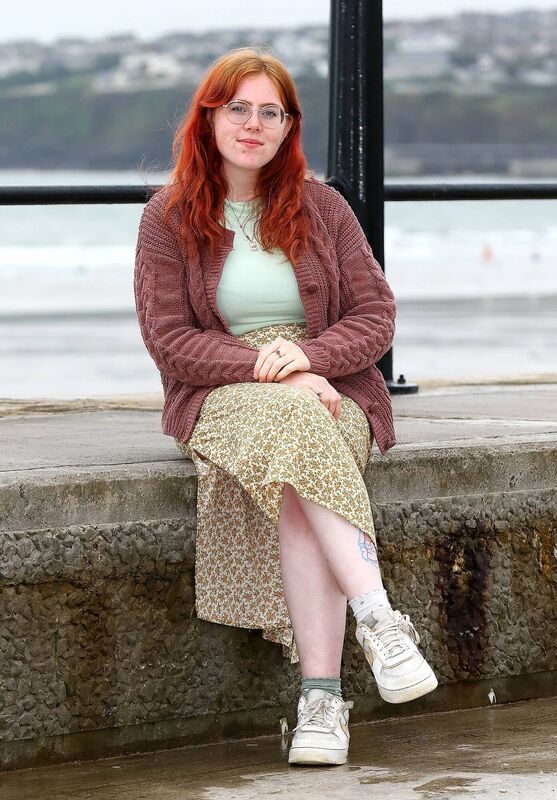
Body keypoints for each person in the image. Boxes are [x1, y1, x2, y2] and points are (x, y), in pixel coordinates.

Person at [134, 45, 438, 768]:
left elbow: (374, 315)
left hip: (333, 386)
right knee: (301, 425)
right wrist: (268, 369)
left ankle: (323, 700)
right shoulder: (168, 216)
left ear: (287, 126)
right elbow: (170, 340)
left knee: (306, 447)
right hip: (220, 391)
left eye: (270, 111)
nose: (253, 123)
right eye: (237, 107)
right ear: (208, 118)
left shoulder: (322, 205)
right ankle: (377, 621)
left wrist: (311, 358)